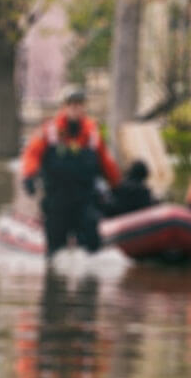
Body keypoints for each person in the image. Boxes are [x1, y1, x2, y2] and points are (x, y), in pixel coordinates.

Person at [19, 91, 122, 257]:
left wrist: (117, 185)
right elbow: (32, 154)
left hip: (85, 199)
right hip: (57, 200)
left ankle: (89, 279)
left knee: (91, 245)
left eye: (79, 104)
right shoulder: (49, 131)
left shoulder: (92, 133)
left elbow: (105, 162)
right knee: (55, 251)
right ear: (64, 107)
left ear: (84, 108)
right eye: (71, 104)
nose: (75, 108)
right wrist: (29, 176)